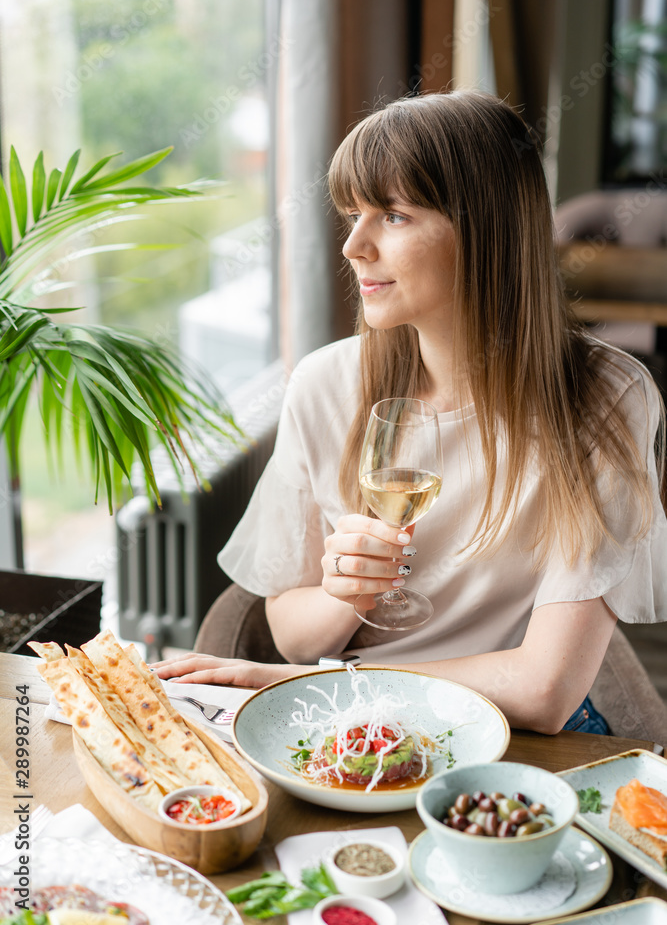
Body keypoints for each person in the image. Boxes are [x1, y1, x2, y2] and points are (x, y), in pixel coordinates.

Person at [153, 90, 667, 734]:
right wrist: (346, 595)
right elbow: (289, 629)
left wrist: (307, 683)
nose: (354, 247)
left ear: (489, 230)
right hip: (348, 722)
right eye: (353, 215)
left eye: (393, 215)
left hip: (506, 731)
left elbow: (544, 692)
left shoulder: (605, 399)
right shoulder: (323, 384)